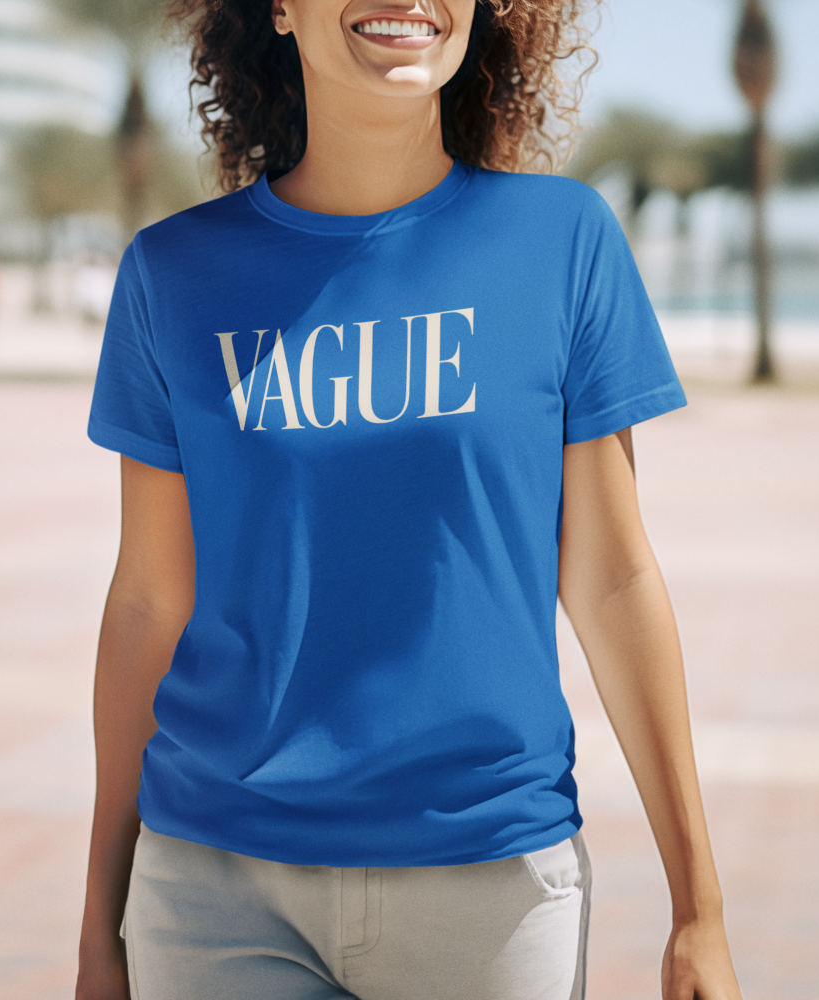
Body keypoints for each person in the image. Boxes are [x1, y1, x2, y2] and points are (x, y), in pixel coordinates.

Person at [75, 0, 744, 996]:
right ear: (281, 9)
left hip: (492, 893)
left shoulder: (562, 245)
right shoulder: (172, 277)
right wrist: (102, 923)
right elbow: (147, 604)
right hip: (215, 891)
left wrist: (700, 908)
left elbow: (612, 578)